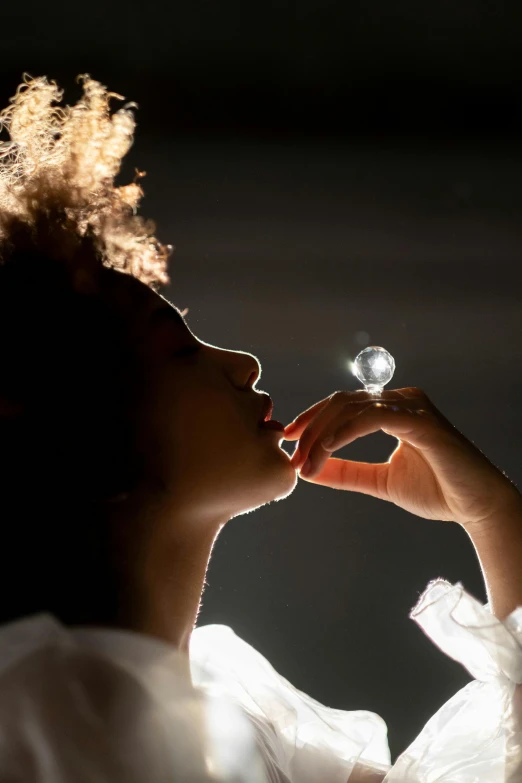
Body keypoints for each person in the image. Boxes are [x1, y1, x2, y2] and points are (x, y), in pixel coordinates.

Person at [0, 73, 520, 783]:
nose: (242, 363)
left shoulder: (234, 712)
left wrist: (491, 512)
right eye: (180, 350)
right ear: (87, 425)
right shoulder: (36, 727)